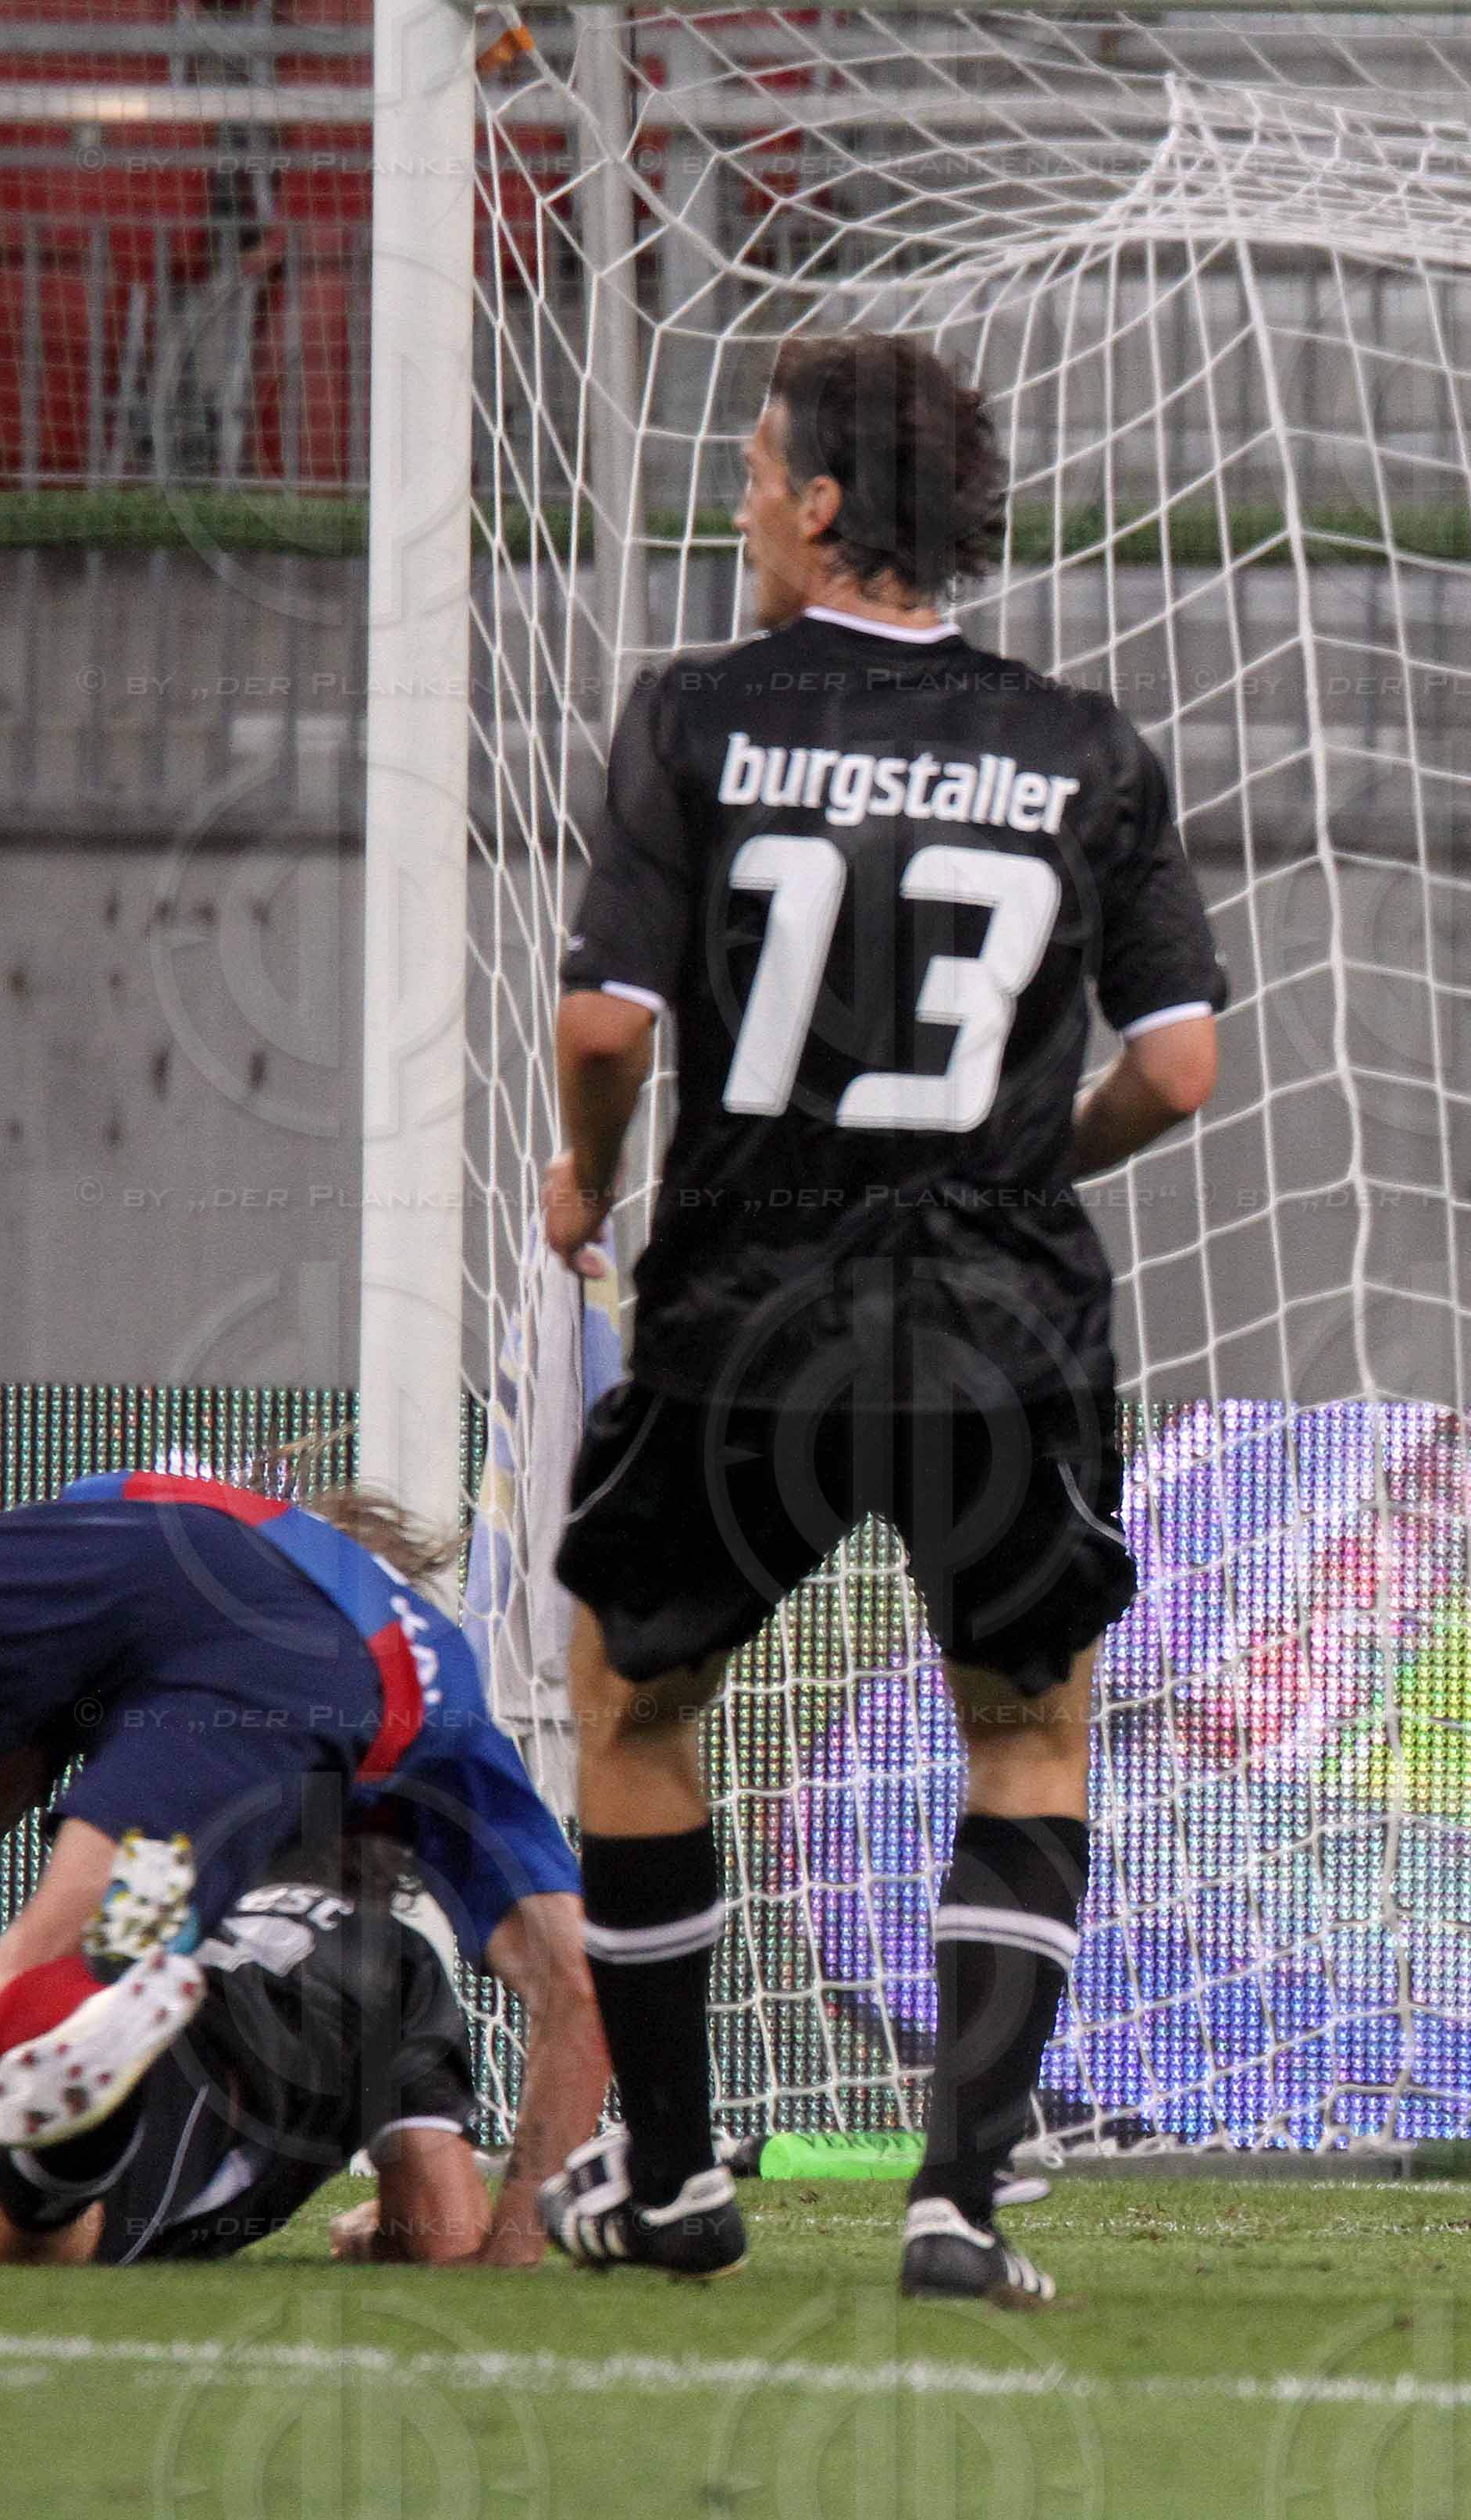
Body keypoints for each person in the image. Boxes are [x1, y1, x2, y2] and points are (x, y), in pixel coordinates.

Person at [540, 329, 1226, 2304]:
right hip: (1000, 1319)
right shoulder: (1084, 746)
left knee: (636, 1707)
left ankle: (667, 2179)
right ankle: (958, 2203)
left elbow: (605, 1025)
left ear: (825, 506)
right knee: (1024, 1731)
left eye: (758, 470)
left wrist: (592, 1167)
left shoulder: (693, 717)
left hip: (746, 1303)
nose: (743, 502)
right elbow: (1180, 1071)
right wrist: (1024, 1166)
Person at [0, 1473, 600, 2269]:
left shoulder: (186, 1514)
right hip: (307, 1664)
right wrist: (509, 2257)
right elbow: (576, 1983)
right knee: (16, 2015)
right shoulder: (423, 1684)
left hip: (143, 1528)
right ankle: (70, 2126)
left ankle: (46, 2064)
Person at [0, 1830, 518, 2266]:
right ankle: (67, 2151)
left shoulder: (183, 1890)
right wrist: (389, 2229)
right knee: (16, 2249)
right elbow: (446, 2237)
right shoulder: (394, 1958)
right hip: (187, 2074)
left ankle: (71, 2055)